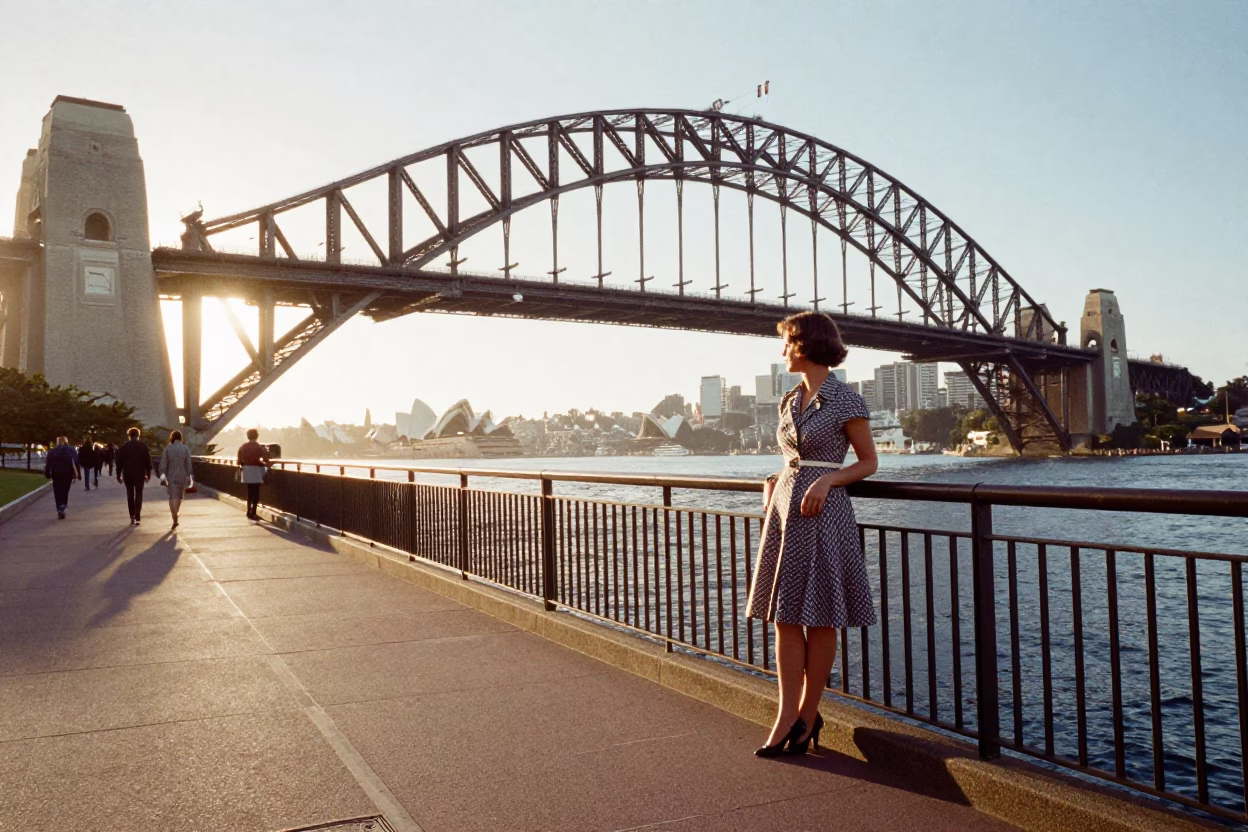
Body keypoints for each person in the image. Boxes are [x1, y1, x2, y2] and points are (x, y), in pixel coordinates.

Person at [746, 311, 878, 757]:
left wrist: (828, 480)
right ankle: (787, 715)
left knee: (820, 616)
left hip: (824, 513)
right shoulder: (788, 401)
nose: (782, 351)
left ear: (803, 345)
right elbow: (794, 456)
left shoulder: (845, 400)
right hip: (787, 509)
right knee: (785, 615)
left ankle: (807, 714)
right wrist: (775, 478)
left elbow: (867, 462)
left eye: (786, 343)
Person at [115, 427, 152, 525]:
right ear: (138, 435)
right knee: (139, 494)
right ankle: (138, 516)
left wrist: (118, 475)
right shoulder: (143, 446)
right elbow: (148, 461)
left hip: (128, 474)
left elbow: (119, 463)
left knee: (130, 494)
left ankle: (132, 516)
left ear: (129, 436)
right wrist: (148, 474)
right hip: (140, 474)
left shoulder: (123, 447)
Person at [157, 430, 194, 529]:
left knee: (172, 496)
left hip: (171, 476)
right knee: (179, 496)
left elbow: (163, 464)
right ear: (181, 438)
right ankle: (177, 512)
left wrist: (162, 475)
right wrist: (190, 476)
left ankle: (174, 517)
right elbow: (188, 464)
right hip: (182, 475)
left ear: (172, 437)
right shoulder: (185, 448)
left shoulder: (168, 449)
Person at [236, 428, 271, 520]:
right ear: (257, 436)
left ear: (248, 436)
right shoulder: (259, 447)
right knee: (256, 491)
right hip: (255, 470)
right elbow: (266, 459)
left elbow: (239, 460)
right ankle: (253, 512)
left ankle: (248, 511)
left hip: (246, 470)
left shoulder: (243, 446)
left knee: (249, 491)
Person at [43, 436, 80, 520]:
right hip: (68, 473)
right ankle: (62, 505)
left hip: (56, 473)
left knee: (57, 491)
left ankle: (59, 507)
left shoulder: (52, 452)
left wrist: (47, 474)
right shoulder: (71, 450)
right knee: (65, 490)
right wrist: (77, 474)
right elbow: (76, 462)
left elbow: (48, 464)